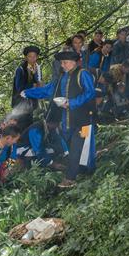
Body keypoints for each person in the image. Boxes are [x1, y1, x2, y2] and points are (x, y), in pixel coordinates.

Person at [22, 50, 97, 188]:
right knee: (74, 147)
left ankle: (70, 178)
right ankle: (84, 170)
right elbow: (48, 90)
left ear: (74, 62)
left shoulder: (83, 73)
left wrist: (72, 103)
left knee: (78, 146)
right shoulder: (63, 77)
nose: (62, 65)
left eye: (65, 62)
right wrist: (27, 92)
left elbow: (90, 92)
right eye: (61, 63)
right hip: (68, 121)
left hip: (84, 120)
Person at [12, 45, 42, 109]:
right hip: (21, 104)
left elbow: (38, 81)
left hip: (32, 103)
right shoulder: (20, 69)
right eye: (30, 56)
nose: (32, 59)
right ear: (26, 57)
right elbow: (19, 88)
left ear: (37, 57)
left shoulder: (37, 68)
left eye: (34, 56)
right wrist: (33, 85)